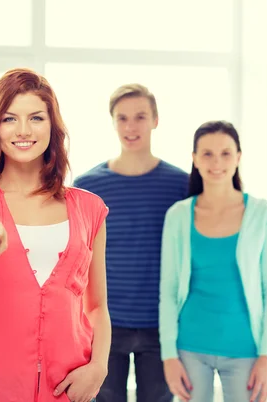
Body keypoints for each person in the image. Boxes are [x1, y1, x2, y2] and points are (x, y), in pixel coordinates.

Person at [0, 68, 110, 402]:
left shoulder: (89, 208)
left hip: (68, 389)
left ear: (52, 126)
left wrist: (98, 368)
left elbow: (97, 305)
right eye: (9, 119)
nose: (23, 130)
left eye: (36, 118)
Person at [73, 84, 187, 402]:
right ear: (113, 123)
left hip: (160, 325)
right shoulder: (87, 187)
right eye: (122, 118)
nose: (130, 126)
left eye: (140, 117)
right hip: (104, 325)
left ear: (155, 120)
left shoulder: (180, 184)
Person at [159, 120, 267, 402]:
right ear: (194, 159)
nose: (217, 162)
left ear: (238, 157)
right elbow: (168, 289)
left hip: (246, 350)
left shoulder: (263, 214)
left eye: (226, 153)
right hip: (189, 348)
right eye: (207, 154)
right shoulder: (178, 215)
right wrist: (169, 355)